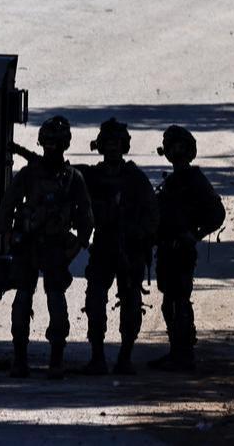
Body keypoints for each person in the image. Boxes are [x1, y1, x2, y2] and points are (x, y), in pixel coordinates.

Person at [0, 115, 94, 380]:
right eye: (48, 143)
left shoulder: (72, 178)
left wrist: (72, 250)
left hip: (53, 248)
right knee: (24, 301)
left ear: (64, 144)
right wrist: (11, 236)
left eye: (56, 143)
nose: (51, 148)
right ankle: (23, 360)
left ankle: (54, 360)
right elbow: (6, 208)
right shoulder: (33, 174)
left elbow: (86, 221)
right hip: (30, 246)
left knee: (54, 302)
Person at [80, 118, 158, 376]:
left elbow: (152, 215)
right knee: (94, 300)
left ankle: (125, 356)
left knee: (131, 303)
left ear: (124, 146)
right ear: (100, 146)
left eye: (117, 144)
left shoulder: (135, 178)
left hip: (129, 250)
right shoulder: (92, 176)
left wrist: (138, 235)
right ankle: (97, 357)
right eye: (108, 144)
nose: (112, 149)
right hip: (103, 247)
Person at [149, 125, 225, 371]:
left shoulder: (195, 180)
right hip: (168, 249)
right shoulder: (172, 182)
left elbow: (217, 213)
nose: (177, 153)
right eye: (173, 148)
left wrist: (194, 235)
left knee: (178, 300)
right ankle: (178, 351)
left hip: (181, 249)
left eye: (180, 148)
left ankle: (183, 354)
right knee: (171, 300)